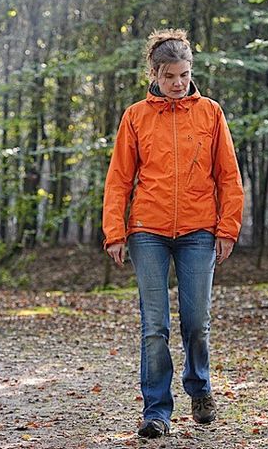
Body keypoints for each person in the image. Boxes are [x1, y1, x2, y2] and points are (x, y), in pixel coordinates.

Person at [102, 28, 244, 439]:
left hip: (200, 230)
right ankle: (156, 411)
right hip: (147, 230)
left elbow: (229, 176)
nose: (178, 83)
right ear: (154, 74)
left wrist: (228, 228)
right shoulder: (136, 116)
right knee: (155, 325)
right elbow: (119, 179)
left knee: (196, 321)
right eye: (169, 77)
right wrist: (115, 231)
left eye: (184, 75)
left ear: (191, 71)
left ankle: (199, 388)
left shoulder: (211, 113)